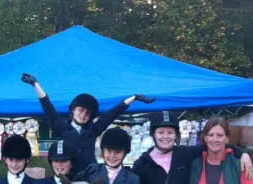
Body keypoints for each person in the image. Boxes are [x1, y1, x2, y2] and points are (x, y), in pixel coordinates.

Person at [21, 72, 155, 173]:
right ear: (73, 110)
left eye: (87, 113)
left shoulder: (93, 130)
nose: (83, 114)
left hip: (90, 175)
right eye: (81, 110)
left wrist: (134, 98)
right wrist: (35, 84)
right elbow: (47, 107)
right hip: (67, 176)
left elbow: (111, 114)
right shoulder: (62, 128)